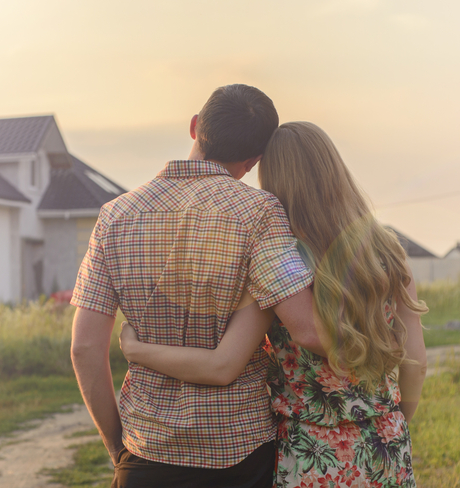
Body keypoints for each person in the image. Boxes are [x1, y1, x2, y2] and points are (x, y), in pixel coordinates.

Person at [119, 121, 429, 488]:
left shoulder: (278, 266)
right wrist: (393, 423)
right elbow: (417, 365)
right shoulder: (388, 253)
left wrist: (136, 349)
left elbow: (222, 363)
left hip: (309, 453)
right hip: (385, 443)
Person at [70, 85, 328, 488]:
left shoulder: (115, 217)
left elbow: (84, 348)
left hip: (146, 451)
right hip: (240, 454)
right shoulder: (260, 212)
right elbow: (307, 328)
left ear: (195, 127)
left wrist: (117, 448)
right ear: (254, 160)